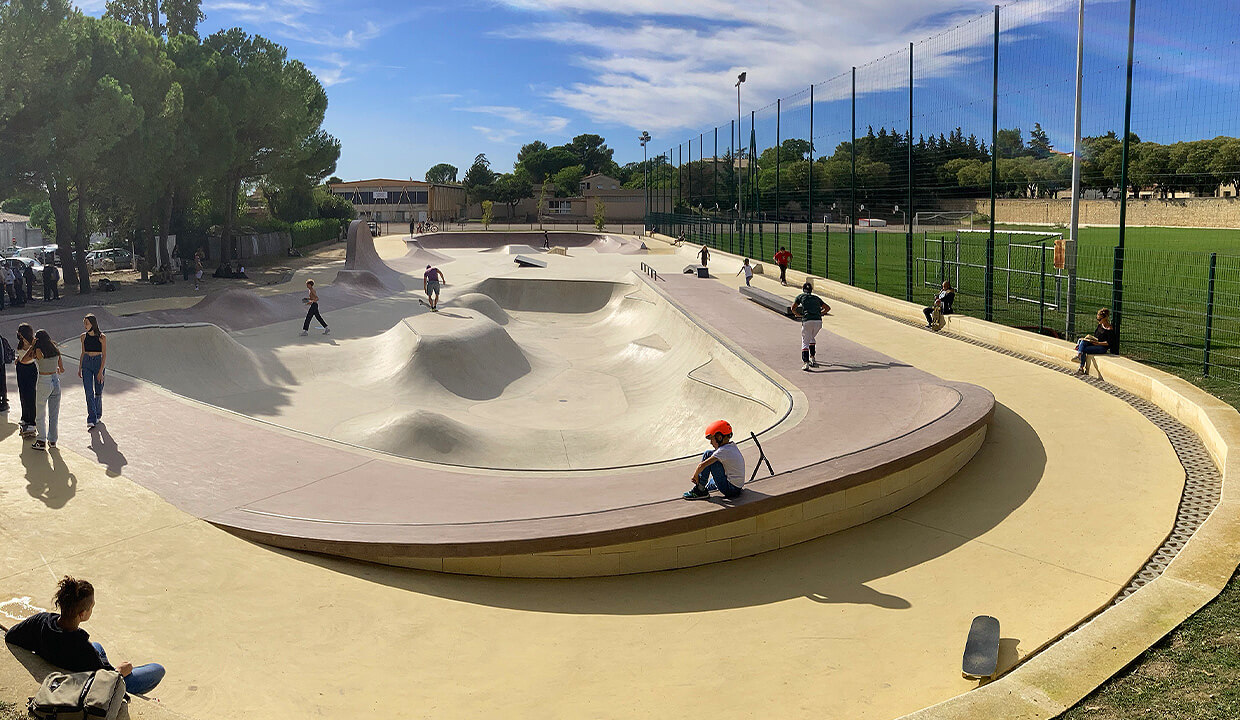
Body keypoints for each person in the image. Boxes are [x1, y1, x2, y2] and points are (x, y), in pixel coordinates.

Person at [5, 576, 165, 696]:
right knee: (157, 670)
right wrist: (119, 671)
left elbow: (10, 636)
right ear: (82, 614)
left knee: (98, 647)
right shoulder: (81, 647)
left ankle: (108, 665)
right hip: (91, 676)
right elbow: (106, 681)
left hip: (65, 659)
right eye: (92, 607)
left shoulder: (40, 621)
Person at [21, 328, 63, 451]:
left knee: (40, 413)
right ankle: (53, 440)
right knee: (54, 414)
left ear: (37, 339)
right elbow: (59, 360)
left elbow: (24, 360)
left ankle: (41, 440)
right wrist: (60, 367)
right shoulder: (54, 348)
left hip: (44, 381)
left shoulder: (38, 350)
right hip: (56, 381)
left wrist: (32, 346)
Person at [683, 420, 746, 500]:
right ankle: (705, 488)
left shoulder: (722, 451)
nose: (710, 443)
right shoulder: (732, 446)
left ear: (719, 437)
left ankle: (700, 489)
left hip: (731, 489)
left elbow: (702, 465)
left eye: (711, 439)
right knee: (712, 481)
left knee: (708, 454)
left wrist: (695, 475)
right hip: (737, 487)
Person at [791, 281, 830, 371]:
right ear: (811, 290)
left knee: (805, 341)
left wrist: (798, 314)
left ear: (803, 289)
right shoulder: (816, 298)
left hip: (807, 321)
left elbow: (793, 308)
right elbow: (827, 308)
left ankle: (806, 362)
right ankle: (812, 357)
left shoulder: (800, 297)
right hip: (818, 322)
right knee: (812, 337)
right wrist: (821, 313)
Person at [79, 314, 106, 430]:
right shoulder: (83, 337)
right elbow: (83, 352)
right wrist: (80, 367)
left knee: (98, 391)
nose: (85, 325)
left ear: (93, 324)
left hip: (98, 362)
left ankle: (98, 414)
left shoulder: (102, 337)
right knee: (88, 391)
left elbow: (104, 355)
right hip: (87, 363)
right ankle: (91, 418)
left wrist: (100, 371)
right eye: (84, 323)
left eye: (87, 323)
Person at [1074, 308, 1116, 375]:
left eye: (1099, 319)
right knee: (1083, 342)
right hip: (1095, 343)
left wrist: (1098, 343)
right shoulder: (1100, 326)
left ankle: (1081, 366)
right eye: (1097, 319)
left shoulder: (1109, 329)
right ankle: (1079, 355)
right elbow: (1096, 336)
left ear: (1105, 318)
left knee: (1083, 350)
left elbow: (1109, 343)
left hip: (1102, 347)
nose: (1098, 321)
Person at [15, 324, 36, 437]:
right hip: (20, 369)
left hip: (30, 369)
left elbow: (27, 358)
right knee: (22, 393)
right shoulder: (21, 342)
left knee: (30, 395)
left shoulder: (33, 344)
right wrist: (18, 359)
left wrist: (21, 359)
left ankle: (32, 421)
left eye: (20, 332)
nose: (18, 334)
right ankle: (25, 417)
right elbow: (21, 356)